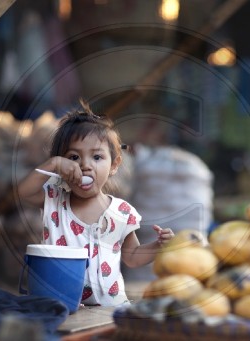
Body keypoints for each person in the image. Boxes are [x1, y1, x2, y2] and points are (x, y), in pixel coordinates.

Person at [17, 102, 174, 306]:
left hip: (110, 308)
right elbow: (22, 192)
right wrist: (53, 164)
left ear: (114, 165)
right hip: (59, 304)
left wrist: (158, 245)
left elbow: (133, 257)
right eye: (73, 157)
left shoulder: (121, 212)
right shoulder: (54, 198)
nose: (85, 166)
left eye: (97, 157)